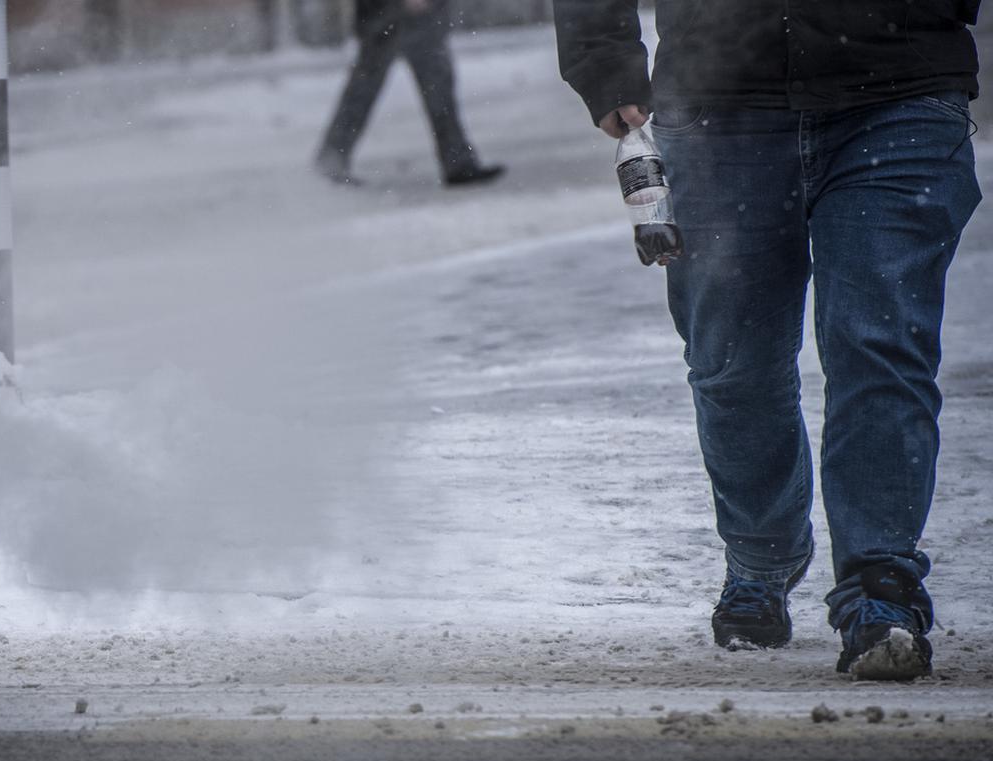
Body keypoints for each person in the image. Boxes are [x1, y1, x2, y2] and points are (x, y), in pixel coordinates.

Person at [553, 1, 982, 680]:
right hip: (718, 102)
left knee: (878, 345)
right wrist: (602, 59)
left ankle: (881, 585)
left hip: (899, 89)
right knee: (733, 360)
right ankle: (761, 557)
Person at [315, 0, 504, 187]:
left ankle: (458, 161)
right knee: (367, 85)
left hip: (410, 15)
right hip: (389, 13)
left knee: (435, 85)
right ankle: (332, 157)